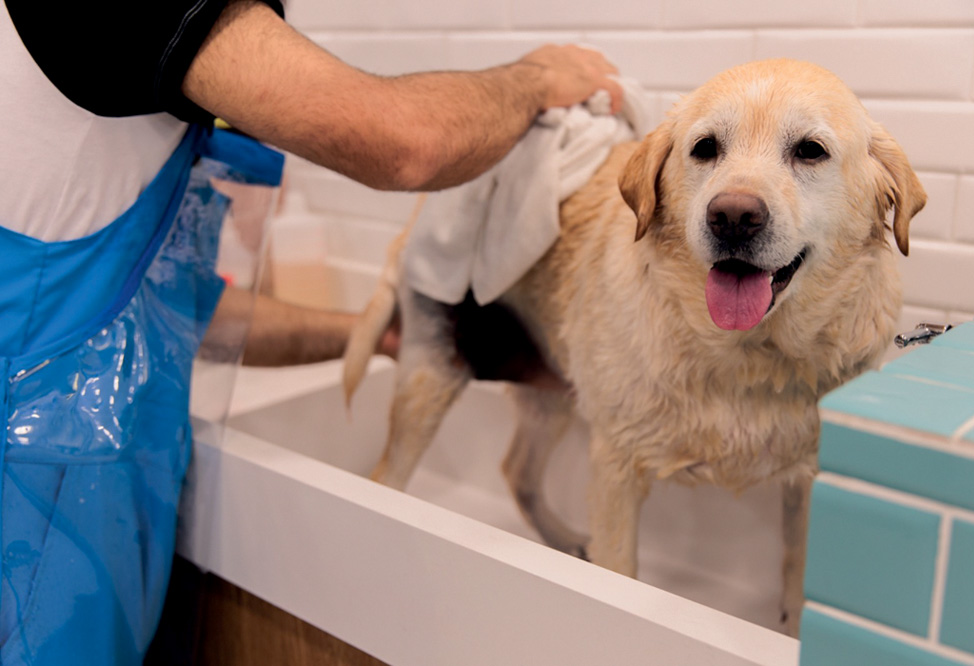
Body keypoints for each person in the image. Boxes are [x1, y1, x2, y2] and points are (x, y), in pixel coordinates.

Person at [0, 1, 622, 664]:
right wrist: (534, 78)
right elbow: (402, 141)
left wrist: (378, 333)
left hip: (76, 488)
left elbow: (169, 311)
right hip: (37, 508)